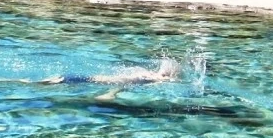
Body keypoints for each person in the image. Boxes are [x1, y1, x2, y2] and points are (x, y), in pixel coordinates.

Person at [41, 57, 181, 86]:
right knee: (64, 80)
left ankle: (38, 82)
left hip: (98, 78)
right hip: (98, 80)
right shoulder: (155, 78)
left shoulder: (146, 72)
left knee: (67, 79)